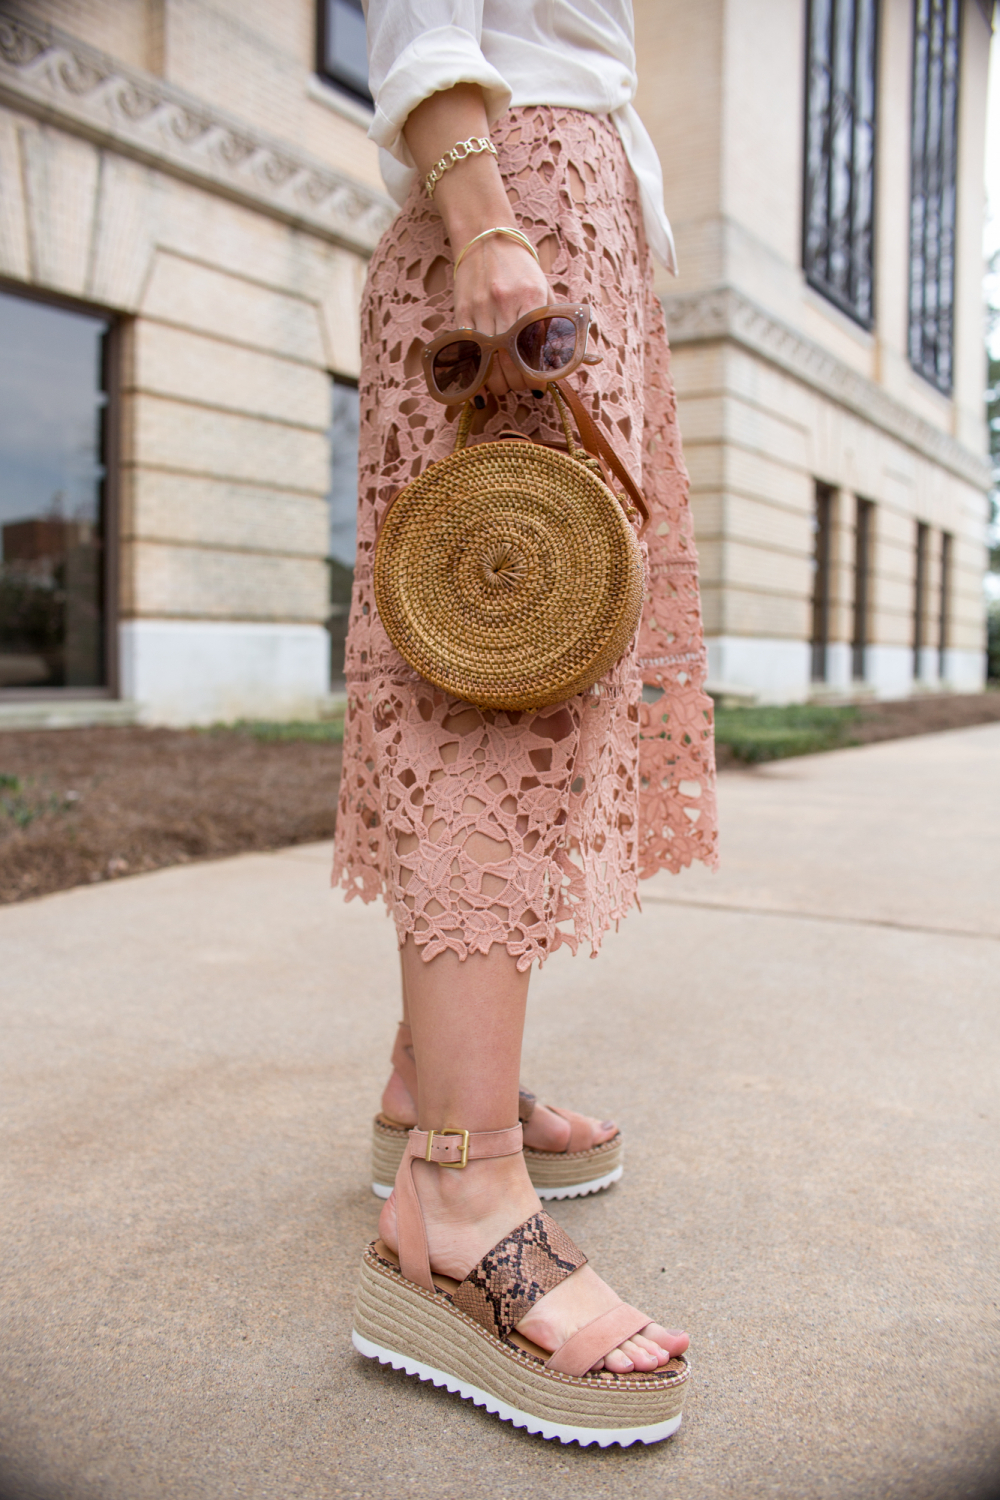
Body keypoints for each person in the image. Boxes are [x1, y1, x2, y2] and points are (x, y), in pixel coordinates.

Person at [334, 0, 718, 1444]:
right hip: (516, 198)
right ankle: (459, 1184)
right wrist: (484, 208)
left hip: (569, 205)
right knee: (496, 686)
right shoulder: (501, 200)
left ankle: (428, 1075)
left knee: (534, 665)